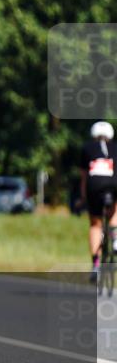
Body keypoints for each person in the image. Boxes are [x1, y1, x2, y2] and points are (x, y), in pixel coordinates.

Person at [79, 120, 117, 283]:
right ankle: (115, 237)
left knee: (95, 224)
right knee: (115, 212)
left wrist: (83, 197)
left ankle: (96, 263)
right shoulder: (116, 147)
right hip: (113, 184)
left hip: (94, 187)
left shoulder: (87, 148)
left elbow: (84, 178)